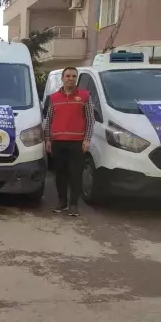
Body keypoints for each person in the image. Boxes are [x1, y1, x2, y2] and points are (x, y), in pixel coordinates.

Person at [44, 67, 94, 217]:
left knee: (75, 174)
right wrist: (47, 139)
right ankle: (62, 202)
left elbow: (90, 120)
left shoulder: (85, 97)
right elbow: (49, 120)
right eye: (68, 76)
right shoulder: (54, 98)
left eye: (73, 76)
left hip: (77, 142)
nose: (70, 78)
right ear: (62, 78)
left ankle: (73, 205)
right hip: (58, 143)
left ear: (76, 79)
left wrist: (87, 139)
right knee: (60, 174)